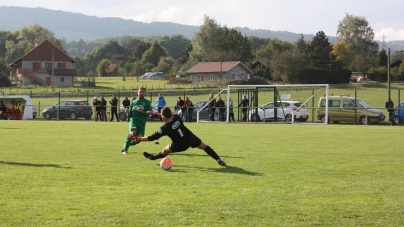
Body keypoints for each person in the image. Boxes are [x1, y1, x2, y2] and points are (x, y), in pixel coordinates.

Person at [133, 107, 226, 166]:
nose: (161, 117)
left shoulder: (164, 128)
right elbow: (170, 115)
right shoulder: (177, 117)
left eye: (161, 115)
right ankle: (218, 159)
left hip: (180, 145)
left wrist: (137, 138)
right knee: (204, 146)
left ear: (164, 116)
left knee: (165, 151)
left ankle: (152, 157)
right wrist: (156, 114)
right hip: (190, 137)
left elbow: (151, 138)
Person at [121, 87, 153, 154]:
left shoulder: (148, 103)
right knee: (133, 133)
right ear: (137, 93)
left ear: (145, 94)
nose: (141, 93)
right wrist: (127, 112)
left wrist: (142, 111)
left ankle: (126, 145)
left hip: (142, 123)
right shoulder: (133, 102)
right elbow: (130, 115)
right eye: (140, 91)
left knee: (139, 139)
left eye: (143, 92)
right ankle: (125, 150)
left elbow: (149, 114)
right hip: (134, 121)